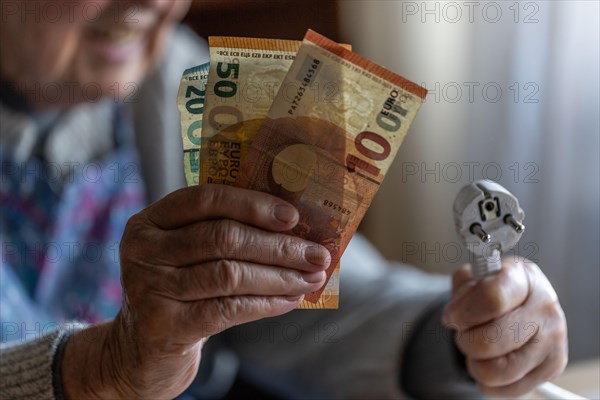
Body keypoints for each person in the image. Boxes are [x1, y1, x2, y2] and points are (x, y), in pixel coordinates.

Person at [0, 1, 568, 399]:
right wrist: (101, 370)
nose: (152, 1)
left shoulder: (163, 70)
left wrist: (459, 335)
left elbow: (301, 301)